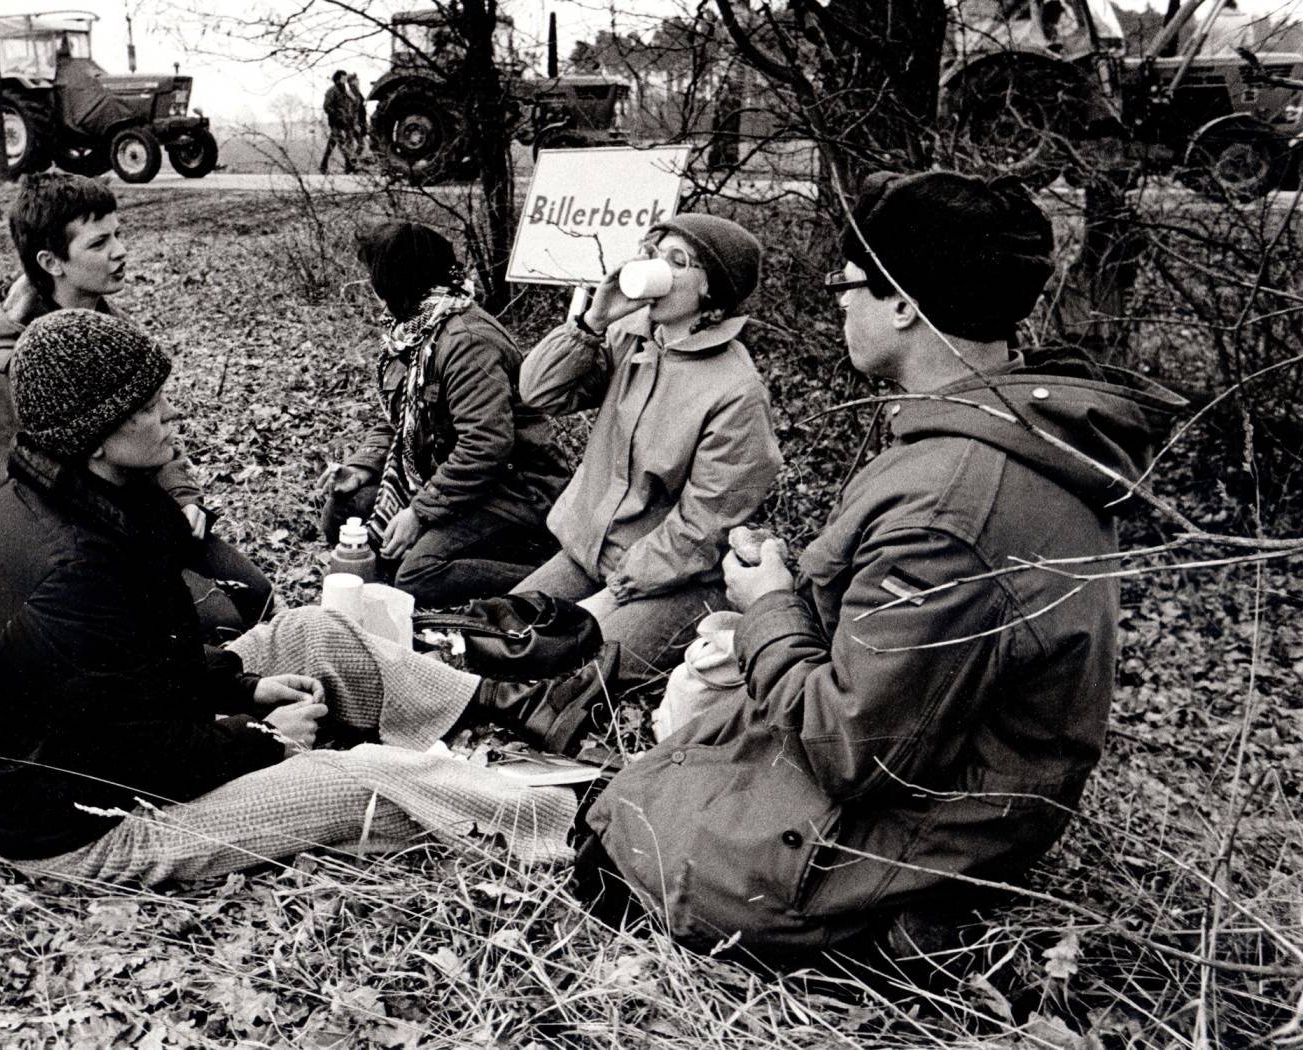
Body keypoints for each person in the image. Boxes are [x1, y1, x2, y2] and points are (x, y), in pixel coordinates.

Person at [574, 171, 1187, 954]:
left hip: (892, 849)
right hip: (923, 807)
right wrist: (787, 600)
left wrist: (767, 605)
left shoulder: (953, 498)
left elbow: (847, 748)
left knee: (610, 838)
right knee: (620, 795)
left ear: (903, 303)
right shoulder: (977, 437)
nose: (837, 300)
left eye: (850, 282)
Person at [0, 309, 618, 887]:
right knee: (355, 780)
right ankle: (580, 821)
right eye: (147, 409)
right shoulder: (63, 569)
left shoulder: (87, 501)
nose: (168, 420)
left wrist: (245, 689)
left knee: (311, 630)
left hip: (119, 750)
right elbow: (135, 756)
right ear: (94, 438)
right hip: (89, 829)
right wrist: (260, 741)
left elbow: (140, 668)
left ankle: (507, 707)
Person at [0, 171, 273, 640]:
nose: (120, 251)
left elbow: (154, 428)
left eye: (119, 235)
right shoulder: (3, 369)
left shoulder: (107, 323)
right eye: (100, 243)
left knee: (257, 595)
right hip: (73, 553)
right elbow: (6, 503)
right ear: (51, 262)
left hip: (138, 517)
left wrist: (183, 498)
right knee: (215, 624)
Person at [516, 214, 782, 677]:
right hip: (593, 554)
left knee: (574, 675)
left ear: (711, 291)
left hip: (675, 578)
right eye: (656, 255)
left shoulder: (737, 391)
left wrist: (615, 592)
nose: (658, 269)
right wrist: (592, 321)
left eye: (678, 262)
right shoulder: (630, 336)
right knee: (502, 633)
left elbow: (703, 526)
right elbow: (539, 392)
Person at [321, 221, 569, 607]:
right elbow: (398, 419)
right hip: (448, 478)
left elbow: (485, 448)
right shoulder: (414, 330)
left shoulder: (466, 341)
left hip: (514, 490)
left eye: (374, 275)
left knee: (418, 575)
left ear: (393, 281)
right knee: (344, 511)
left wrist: (420, 513)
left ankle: (555, 574)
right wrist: (362, 468)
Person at [320, 70, 357, 175]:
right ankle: (349, 165)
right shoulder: (332, 91)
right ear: (337, 79)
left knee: (332, 144)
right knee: (341, 143)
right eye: (343, 78)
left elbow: (348, 105)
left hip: (343, 121)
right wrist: (337, 116)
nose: (345, 80)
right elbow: (327, 106)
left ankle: (324, 165)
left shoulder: (344, 91)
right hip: (335, 121)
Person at [346, 73, 370, 160]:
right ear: (351, 82)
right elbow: (352, 111)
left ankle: (352, 162)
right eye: (356, 80)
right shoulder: (350, 94)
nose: (358, 81)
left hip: (360, 122)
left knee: (361, 145)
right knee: (359, 145)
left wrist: (365, 123)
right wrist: (355, 124)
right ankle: (351, 163)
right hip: (354, 123)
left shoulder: (357, 92)